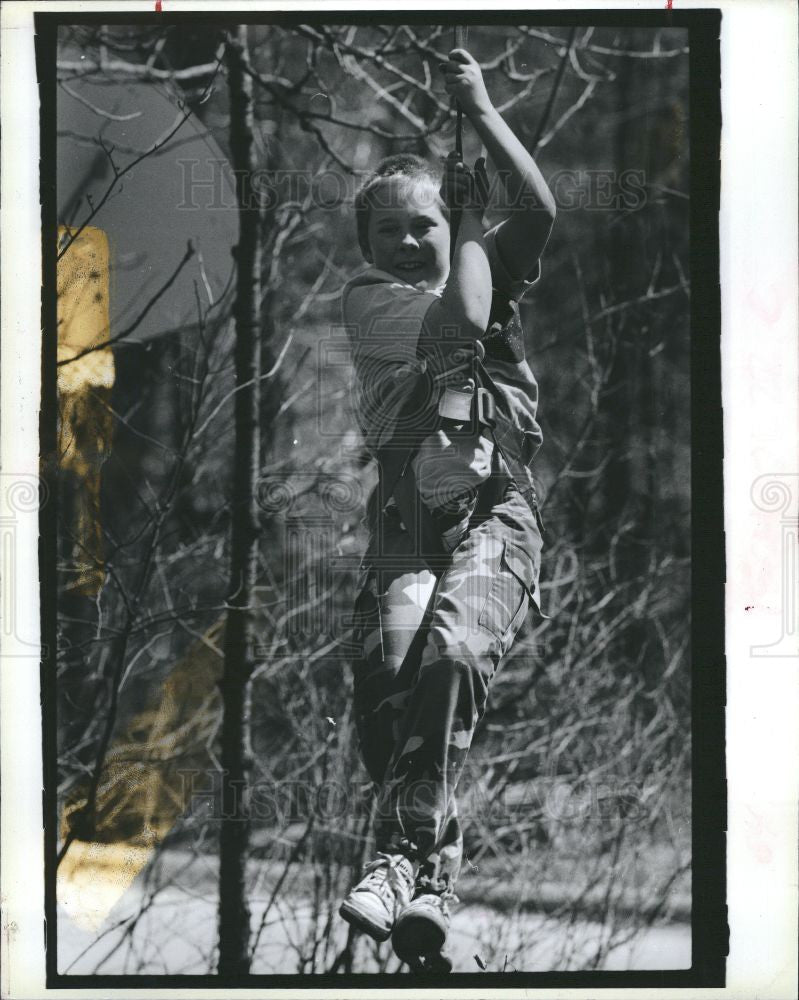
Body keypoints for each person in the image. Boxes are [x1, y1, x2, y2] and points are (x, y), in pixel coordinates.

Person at [337, 47, 556, 972]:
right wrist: (467, 219)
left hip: (491, 514)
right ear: (366, 251)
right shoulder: (374, 305)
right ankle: (428, 872)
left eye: (422, 224)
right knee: (388, 685)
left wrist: (484, 108)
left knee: (453, 654)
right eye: (386, 231)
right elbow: (462, 319)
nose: (405, 243)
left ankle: (403, 860)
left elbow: (537, 211)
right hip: (406, 525)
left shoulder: (486, 264)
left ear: (445, 221)